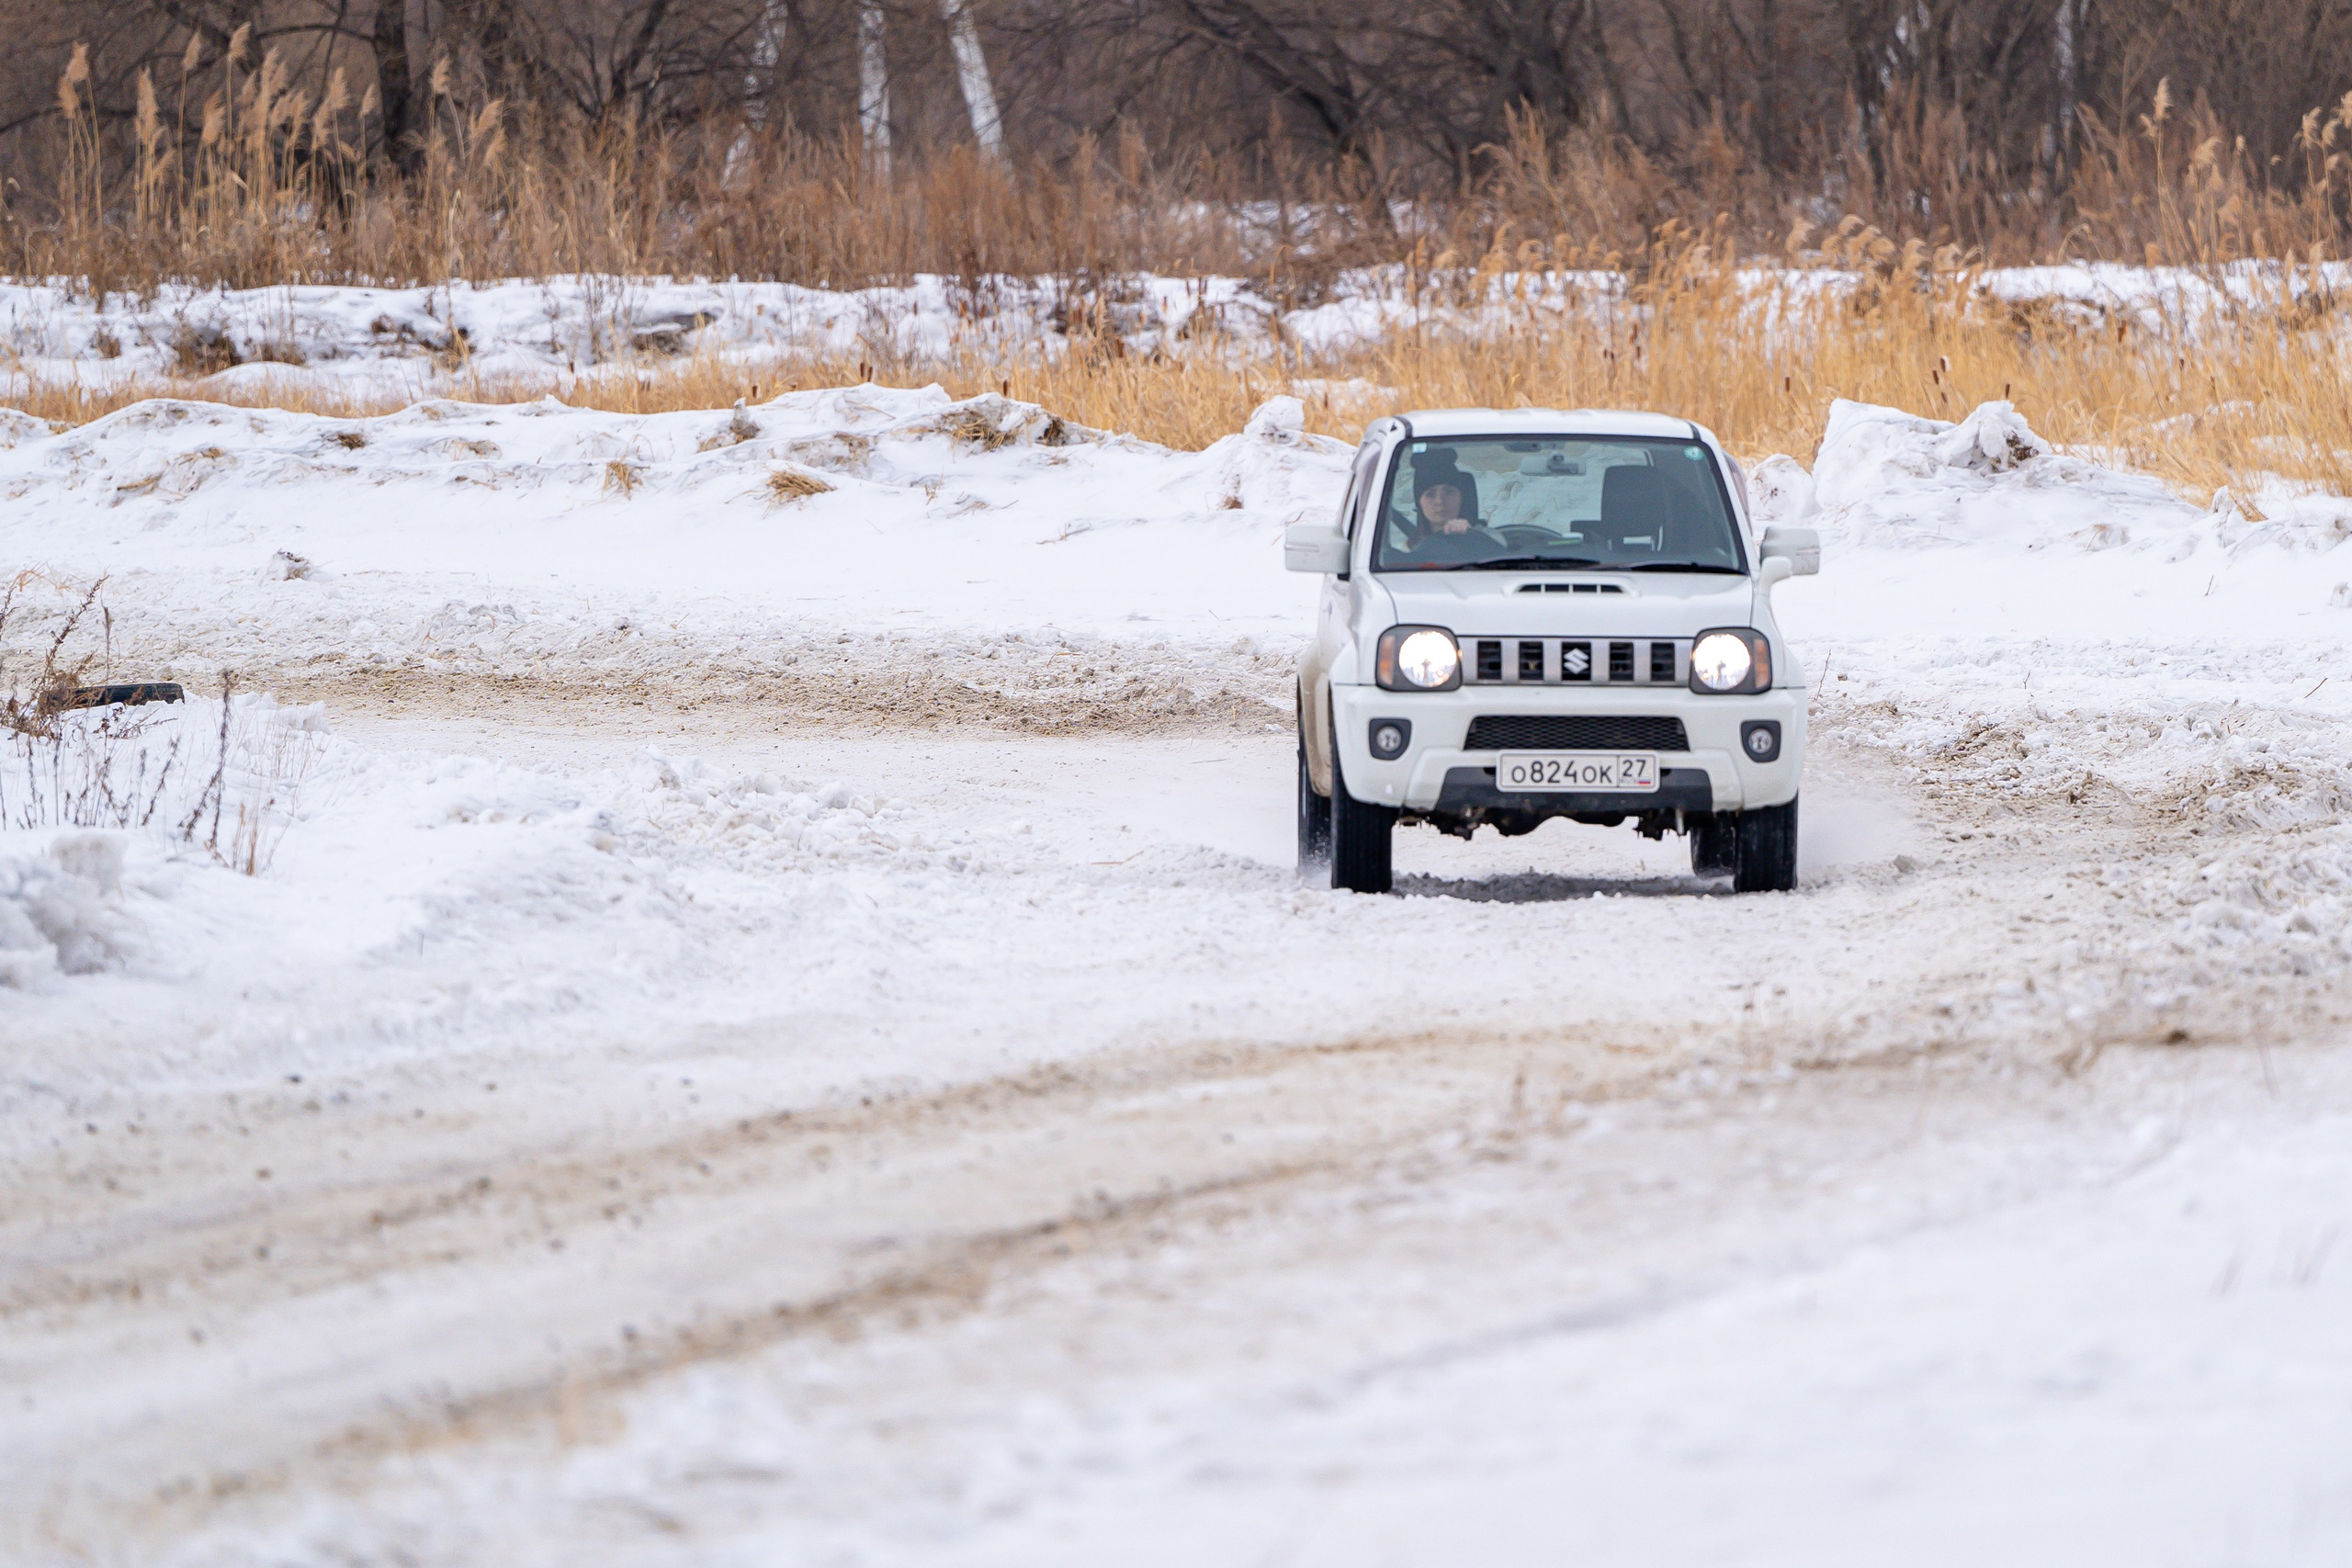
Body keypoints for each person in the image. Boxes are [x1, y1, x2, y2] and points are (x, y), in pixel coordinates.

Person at [1397, 454, 1500, 564]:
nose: (1440, 501)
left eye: (1449, 492)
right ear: (1419, 502)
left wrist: (1471, 538)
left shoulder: (1490, 538)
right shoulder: (1407, 552)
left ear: (1461, 497)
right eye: (1430, 494)